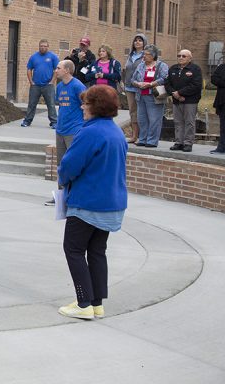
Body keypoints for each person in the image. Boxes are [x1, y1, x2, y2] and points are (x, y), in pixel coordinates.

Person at [57, 85, 128, 320]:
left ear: (95, 107)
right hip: (111, 203)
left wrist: (63, 180)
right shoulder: (116, 132)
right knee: (97, 251)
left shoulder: (90, 132)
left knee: (73, 250)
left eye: (86, 103)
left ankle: (83, 302)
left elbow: (69, 166)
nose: (82, 107)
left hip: (88, 202)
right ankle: (96, 303)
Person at [45, 59, 87, 206]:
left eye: (58, 68)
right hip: (61, 130)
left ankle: (75, 197)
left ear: (67, 70)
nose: (55, 71)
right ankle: (61, 197)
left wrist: (83, 126)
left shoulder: (77, 86)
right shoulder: (60, 86)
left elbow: (86, 104)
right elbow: (62, 106)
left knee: (74, 164)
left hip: (73, 131)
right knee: (61, 166)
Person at [130, 44, 169, 148]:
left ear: (153, 55)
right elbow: (132, 79)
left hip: (155, 96)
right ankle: (142, 139)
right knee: (142, 119)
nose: (144, 56)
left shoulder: (161, 65)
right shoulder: (141, 65)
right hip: (140, 95)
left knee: (154, 119)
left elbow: (165, 78)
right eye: (144, 54)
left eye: (147, 54)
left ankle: (152, 141)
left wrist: (151, 84)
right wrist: (138, 84)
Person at [165, 49, 203, 152]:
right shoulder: (173, 68)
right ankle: (179, 142)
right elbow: (167, 83)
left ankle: (188, 143)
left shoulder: (195, 69)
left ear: (190, 58)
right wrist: (174, 94)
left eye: (184, 56)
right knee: (178, 122)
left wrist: (180, 93)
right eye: (179, 55)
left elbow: (196, 85)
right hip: (176, 100)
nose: (181, 57)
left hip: (190, 101)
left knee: (189, 123)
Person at [22, 40, 59, 128]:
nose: (43, 48)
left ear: (48, 47)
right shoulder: (33, 57)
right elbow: (29, 69)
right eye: (41, 46)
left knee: (51, 104)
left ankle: (54, 122)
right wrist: (31, 82)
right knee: (31, 104)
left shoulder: (53, 56)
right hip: (36, 85)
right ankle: (27, 121)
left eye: (45, 46)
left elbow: (56, 70)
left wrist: (52, 81)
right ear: (39, 46)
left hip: (48, 85)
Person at [122, 34, 147, 144]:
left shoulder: (146, 55)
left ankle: (143, 136)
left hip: (140, 87)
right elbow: (126, 70)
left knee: (141, 111)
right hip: (129, 87)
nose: (137, 42)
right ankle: (134, 135)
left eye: (140, 41)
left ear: (144, 43)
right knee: (132, 111)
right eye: (135, 40)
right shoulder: (130, 55)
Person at [210, 59, 225, 155]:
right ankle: (221, 147)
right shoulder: (221, 67)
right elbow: (214, 79)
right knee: (223, 126)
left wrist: (222, 81)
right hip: (222, 101)